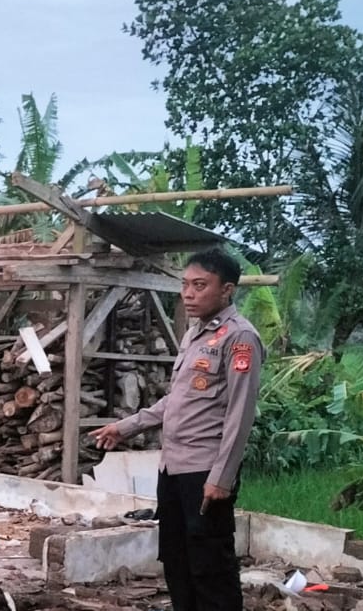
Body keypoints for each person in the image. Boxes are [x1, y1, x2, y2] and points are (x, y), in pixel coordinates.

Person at [89, 249, 263, 611]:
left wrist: (222, 478)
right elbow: (176, 401)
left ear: (227, 290)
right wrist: (126, 427)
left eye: (200, 286)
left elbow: (240, 414)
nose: (189, 294)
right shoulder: (194, 335)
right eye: (185, 285)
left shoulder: (240, 338)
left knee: (210, 566)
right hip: (173, 468)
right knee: (176, 559)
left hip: (205, 473)